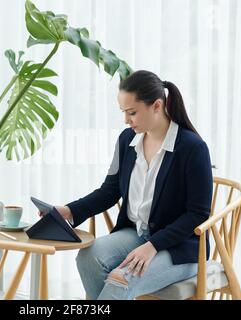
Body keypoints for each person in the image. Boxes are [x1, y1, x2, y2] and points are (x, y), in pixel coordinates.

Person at [42, 70, 213, 300]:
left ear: (156, 106)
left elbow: (198, 214)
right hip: (136, 234)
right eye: (124, 112)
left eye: (132, 112)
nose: (126, 120)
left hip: (180, 248)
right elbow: (109, 191)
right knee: (88, 257)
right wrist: (69, 211)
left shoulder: (193, 148)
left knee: (121, 279)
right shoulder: (126, 141)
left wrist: (153, 245)